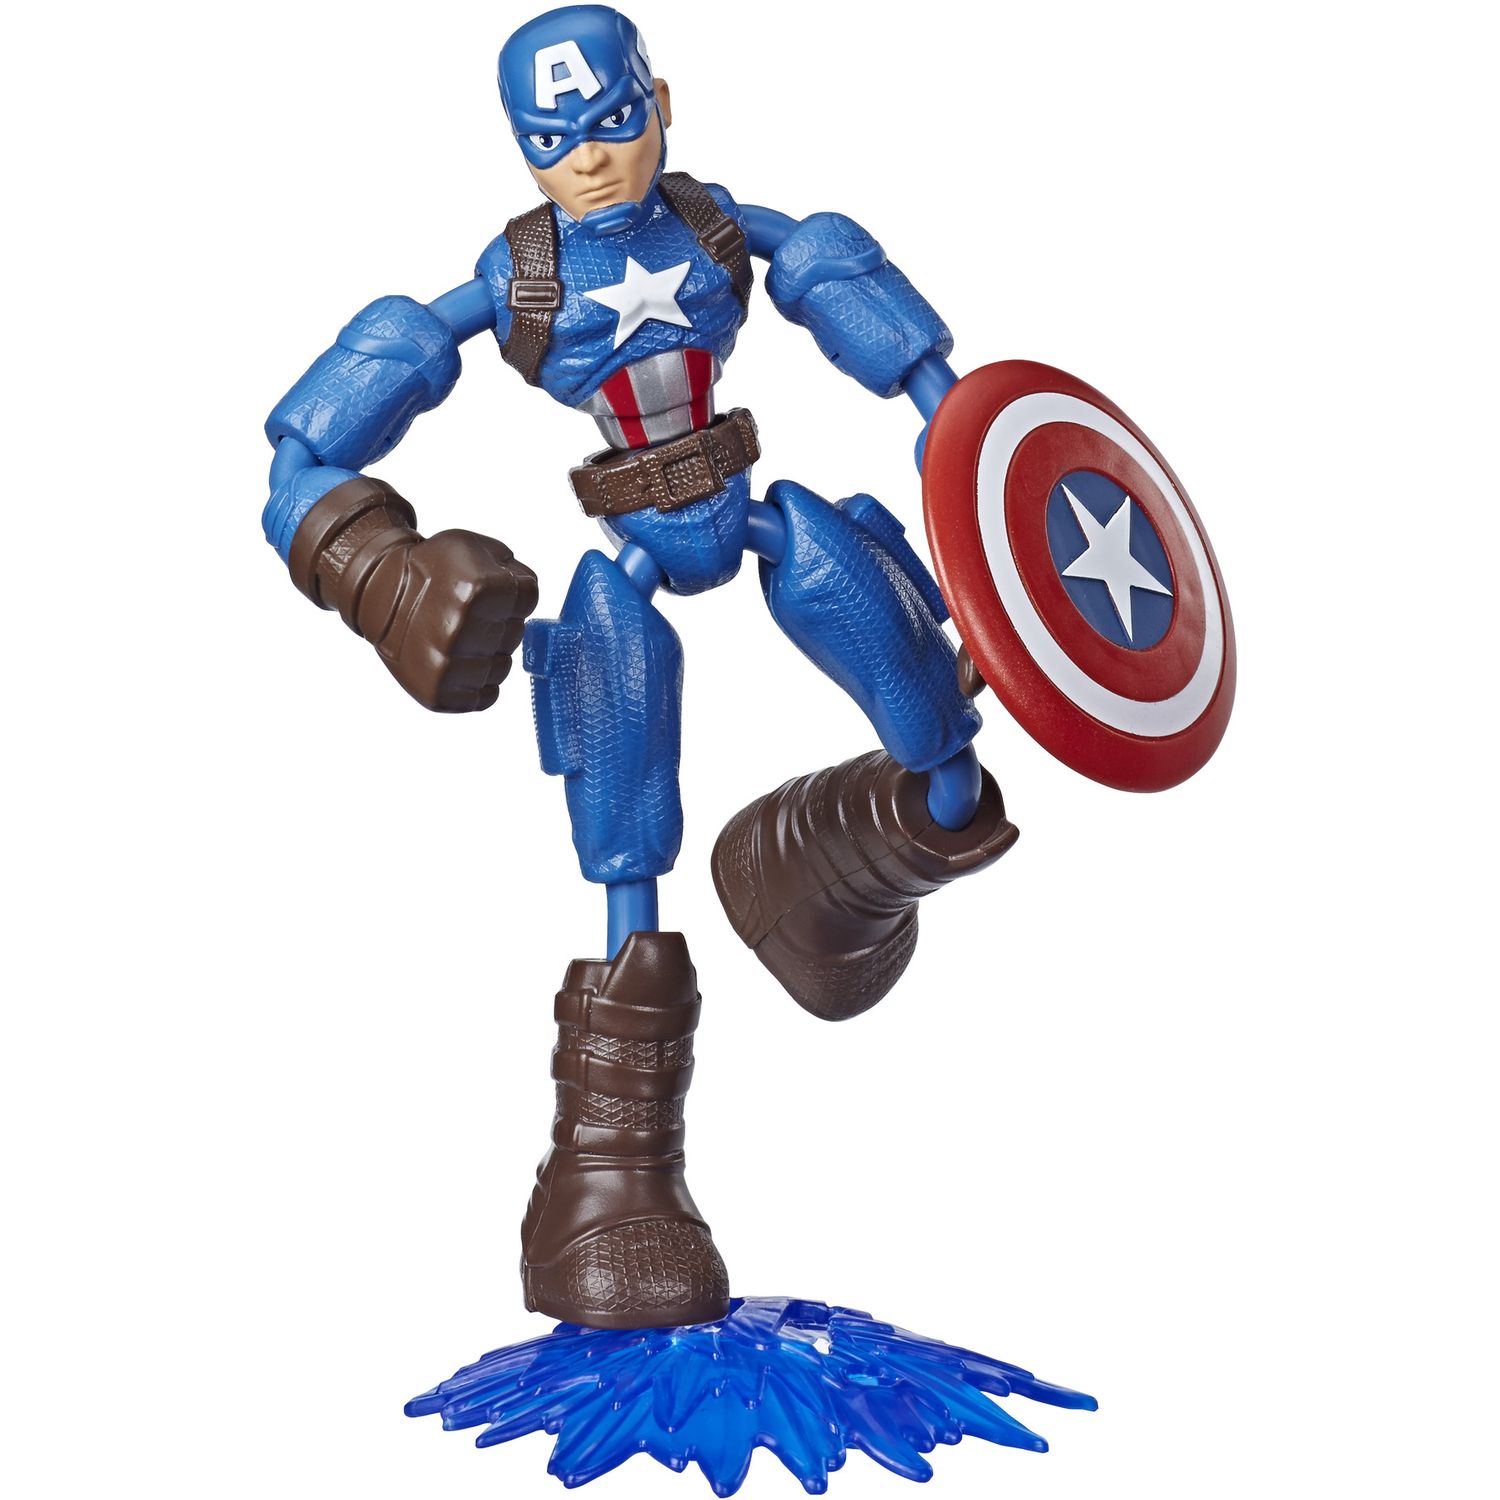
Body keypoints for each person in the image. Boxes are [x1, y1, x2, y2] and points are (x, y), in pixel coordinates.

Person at [262, 4, 1015, 1330]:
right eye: (556, 141)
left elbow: (885, 329)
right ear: (520, 149)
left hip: (755, 504)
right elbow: (300, 456)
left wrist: (974, 465)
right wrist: (384, 575)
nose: (595, 160)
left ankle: (827, 872)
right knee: (625, 806)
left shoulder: (715, 229)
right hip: (628, 551)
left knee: (930, 716)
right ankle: (610, 1180)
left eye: (614, 121)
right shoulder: (522, 283)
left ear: (661, 102)